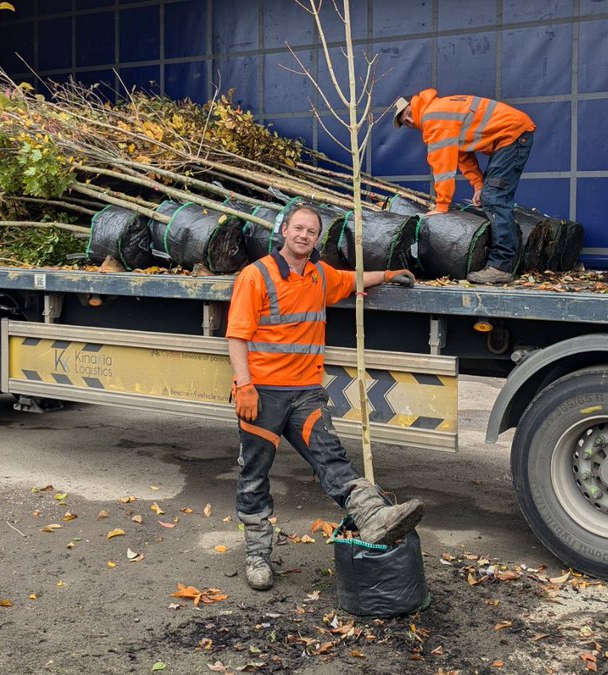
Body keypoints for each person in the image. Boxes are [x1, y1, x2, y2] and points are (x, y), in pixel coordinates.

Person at [225, 205, 424, 591]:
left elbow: (352, 279)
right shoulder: (256, 276)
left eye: (311, 231)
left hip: (305, 394)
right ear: (284, 231)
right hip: (262, 395)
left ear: (317, 238)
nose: (304, 236)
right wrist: (244, 386)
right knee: (254, 475)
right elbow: (236, 336)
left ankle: (374, 518)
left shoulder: (320, 275)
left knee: (331, 458)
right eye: (298, 228)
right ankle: (257, 556)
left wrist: (388, 275)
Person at [393, 89, 535, 285]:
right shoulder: (439, 111)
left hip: (512, 134)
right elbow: (463, 156)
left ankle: (501, 267)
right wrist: (478, 185)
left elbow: (442, 167)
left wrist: (441, 206)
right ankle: (504, 261)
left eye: (408, 114)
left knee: (495, 198)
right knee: (490, 195)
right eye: (405, 122)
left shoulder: (433, 118)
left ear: (414, 104)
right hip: (510, 134)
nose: (410, 121)